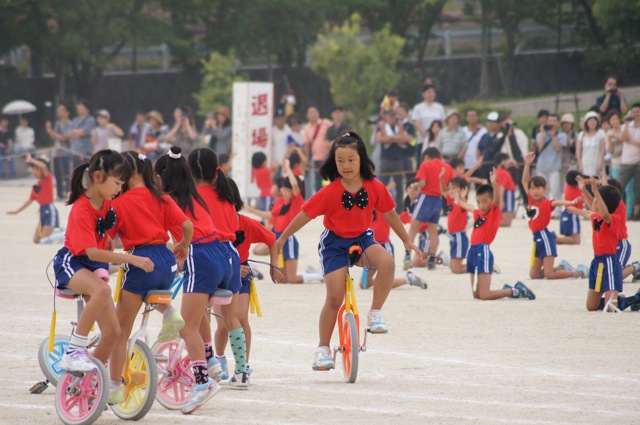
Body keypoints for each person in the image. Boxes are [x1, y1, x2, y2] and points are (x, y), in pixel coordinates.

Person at [274, 132, 421, 370]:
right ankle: (322, 349)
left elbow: (390, 214)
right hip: (333, 244)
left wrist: (406, 240)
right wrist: (282, 239)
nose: (346, 166)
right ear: (334, 162)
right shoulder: (329, 192)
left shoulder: (375, 187)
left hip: (362, 240)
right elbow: (304, 215)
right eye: (340, 160)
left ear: (361, 158)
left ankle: (375, 312)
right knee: (334, 297)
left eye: (351, 159)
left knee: (387, 262)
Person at [52, 150, 152, 374]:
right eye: (117, 183)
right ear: (97, 177)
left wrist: (107, 239)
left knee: (113, 332)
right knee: (102, 291)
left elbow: (103, 234)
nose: (119, 189)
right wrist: (131, 258)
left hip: (92, 266)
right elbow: (92, 253)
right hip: (72, 263)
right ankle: (73, 351)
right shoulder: (81, 209)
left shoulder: (106, 204)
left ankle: (90, 380)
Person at [109, 151, 193, 405]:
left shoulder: (119, 203)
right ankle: (168, 312)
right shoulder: (163, 198)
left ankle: (114, 385)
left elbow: (109, 242)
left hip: (140, 259)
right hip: (166, 260)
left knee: (119, 330)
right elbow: (187, 226)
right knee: (152, 291)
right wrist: (183, 246)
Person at [155, 147, 232, 413]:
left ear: (163, 179)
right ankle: (210, 361)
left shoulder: (166, 201)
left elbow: (159, 235)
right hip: (221, 255)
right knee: (199, 317)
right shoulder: (195, 196)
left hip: (200, 256)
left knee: (186, 327)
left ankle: (202, 382)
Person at [189, 148, 250, 387]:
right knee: (231, 318)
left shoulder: (192, 196)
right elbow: (234, 225)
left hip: (205, 254)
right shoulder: (226, 196)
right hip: (231, 255)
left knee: (198, 316)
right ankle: (243, 370)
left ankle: (208, 362)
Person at [454, 169, 535, 300]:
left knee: (485, 296)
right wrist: (459, 201)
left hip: (483, 251)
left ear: (491, 201)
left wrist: (495, 184)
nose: (481, 205)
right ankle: (507, 290)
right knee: (476, 295)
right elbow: (470, 207)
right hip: (472, 251)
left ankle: (515, 291)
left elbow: (497, 200)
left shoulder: (494, 212)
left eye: (485, 201)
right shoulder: (478, 213)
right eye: (479, 202)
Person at [245, 161, 323, 284]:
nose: (284, 193)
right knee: (283, 279)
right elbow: (270, 215)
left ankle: (319, 275)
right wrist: (251, 210)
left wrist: (288, 168)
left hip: (288, 239)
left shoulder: (297, 202)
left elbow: (295, 185)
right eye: (283, 190)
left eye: (286, 191)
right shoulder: (283, 203)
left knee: (293, 279)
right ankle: (313, 273)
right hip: (278, 239)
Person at [522, 152, 585, 280]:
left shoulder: (547, 203)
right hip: (537, 239)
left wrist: (572, 202)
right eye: (532, 189)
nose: (535, 191)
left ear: (545, 189)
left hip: (546, 238)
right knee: (533, 275)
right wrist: (527, 164)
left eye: (538, 188)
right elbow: (525, 181)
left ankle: (578, 273)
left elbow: (558, 202)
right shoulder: (531, 200)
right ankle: (562, 267)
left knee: (549, 275)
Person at [233, 211, 282, 370]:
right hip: (219, 271)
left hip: (242, 273)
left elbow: (271, 239)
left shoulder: (247, 223)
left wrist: (274, 266)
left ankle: (243, 364)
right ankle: (218, 359)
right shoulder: (212, 220)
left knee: (241, 317)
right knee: (222, 323)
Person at [567, 179, 623, 311]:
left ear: (600, 203)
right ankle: (617, 298)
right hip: (597, 261)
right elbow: (588, 212)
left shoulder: (612, 219)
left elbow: (604, 214)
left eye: (596, 200)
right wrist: (583, 191)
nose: (593, 202)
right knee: (591, 306)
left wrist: (596, 191)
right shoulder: (595, 216)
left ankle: (628, 300)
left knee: (610, 308)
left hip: (609, 261)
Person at [408, 147, 454, 270]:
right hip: (438, 200)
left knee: (413, 228)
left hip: (425, 198)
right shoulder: (448, 168)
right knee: (433, 232)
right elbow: (449, 186)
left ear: (427, 157)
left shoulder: (426, 165)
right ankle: (432, 260)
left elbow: (422, 184)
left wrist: (415, 185)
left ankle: (407, 256)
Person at [361, 209, 428, 289]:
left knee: (386, 283)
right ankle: (410, 278)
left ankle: (410, 279)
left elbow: (393, 217)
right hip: (369, 245)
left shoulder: (381, 200)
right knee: (364, 284)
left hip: (384, 245)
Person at [6, 154, 61, 243]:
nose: (35, 172)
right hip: (42, 211)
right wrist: (17, 211)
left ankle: (63, 234)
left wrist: (31, 160)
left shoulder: (47, 179)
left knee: (44, 240)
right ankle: (57, 232)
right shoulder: (36, 186)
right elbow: (29, 201)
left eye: (37, 170)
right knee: (36, 240)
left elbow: (43, 166)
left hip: (49, 210)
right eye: (33, 170)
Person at [376, 110, 413, 212]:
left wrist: (391, 138)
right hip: (385, 160)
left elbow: (405, 139)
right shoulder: (381, 127)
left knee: (400, 186)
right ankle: (379, 208)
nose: (392, 118)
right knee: (381, 186)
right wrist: (395, 138)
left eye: (393, 116)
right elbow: (380, 138)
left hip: (398, 160)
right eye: (390, 116)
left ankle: (399, 209)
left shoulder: (401, 126)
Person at [535, 113, 567, 217]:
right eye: (550, 121)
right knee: (542, 191)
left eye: (554, 121)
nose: (551, 123)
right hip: (541, 167)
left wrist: (553, 136)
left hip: (554, 167)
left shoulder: (562, 135)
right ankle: (544, 211)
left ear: (558, 123)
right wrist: (543, 132)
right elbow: (539, 146)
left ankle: (557, 212)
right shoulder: (540, 135)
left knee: (555, 190)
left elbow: (558, 148)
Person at [440, 176, 470, 274]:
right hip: (454, 237)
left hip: (459, 237)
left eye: (454, 188)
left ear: (462, 190)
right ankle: (479, 265)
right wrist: (441, 178)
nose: (451, 191)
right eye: (450, 188)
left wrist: (462, 196)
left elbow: (463, 201)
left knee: (456, 269)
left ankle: (483, 266)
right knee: (454, 268)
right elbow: (443, 192)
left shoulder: (462, 202)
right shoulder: (453, 202)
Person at [411, 83, 445, 161]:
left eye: (433, 92)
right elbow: (417, 122)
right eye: (429, 92)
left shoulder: (439, 107)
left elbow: (443, 122)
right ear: (423, 94)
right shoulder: (418, 107)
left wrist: (437, 134)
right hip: (423, 140)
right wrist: (426, 135)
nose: (431, 94)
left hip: (437, 141)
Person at [46, 103, 73, 200]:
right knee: (57, 174)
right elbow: (54, 137)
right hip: (57, 152)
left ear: (67, 112)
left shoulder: (70, 123)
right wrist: (50, 130)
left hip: (66, 152)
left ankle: (67, 192)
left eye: (62, 110)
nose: (59, 112)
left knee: (66, 173)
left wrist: (51, 132)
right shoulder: (58, 123)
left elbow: (64, 137)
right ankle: (59, 193)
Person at [303, 106, 332, 194]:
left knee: (330, 182)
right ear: (307, 116)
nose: (313, 114)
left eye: (315, 111)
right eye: (310, 112)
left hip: (329, 157)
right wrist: (307, 159)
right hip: (316, 159)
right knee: (317, 184)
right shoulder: (307, 128)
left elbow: (334, 134)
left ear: (318, 113)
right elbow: (307, 144)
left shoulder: (326, 123)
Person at [619, 103, 640, 220]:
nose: (635, 114)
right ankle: (620, 210)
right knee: (619, 185)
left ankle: (636, 213)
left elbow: (629, 140)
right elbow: (623, 139)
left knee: (638, 189)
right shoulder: (627, 126)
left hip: (638, 162)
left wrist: (632, 141)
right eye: (634, 112)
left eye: (638, 112)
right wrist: (627, 124)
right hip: (626, 161)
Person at [556, 170, 583, 245]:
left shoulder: (568, 186)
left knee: (571, 238)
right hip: (572, 214)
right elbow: (584, 199)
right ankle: (553, 239)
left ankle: (555, 239)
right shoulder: (575, 190)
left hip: (566, 213)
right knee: (576, 240)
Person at [576, 111, 606, 177]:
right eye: (590, 120)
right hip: (585, 166)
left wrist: (600, 163)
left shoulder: (601, 133)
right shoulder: (581, 134)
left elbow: (602, 151)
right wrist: (580, 164)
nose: (592, 122)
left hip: (597, 165)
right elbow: (578, 151)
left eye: (594, 120)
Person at [67, 100, 96, 166]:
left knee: (85, 171)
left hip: (85, 152)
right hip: (75, 150)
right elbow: (69, 134)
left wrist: (75, 132)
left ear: (87, 109)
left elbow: (84, 132)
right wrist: (77, 132)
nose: (79, 108)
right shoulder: (75, 119)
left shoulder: (91, 119)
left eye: (81, 106)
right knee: (76, 172)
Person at [476, 112, 501, 181]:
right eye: (489, 122)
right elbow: (478, 150)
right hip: (484, 167)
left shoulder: (500, 136)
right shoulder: (484, 136)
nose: (490, 124)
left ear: (498, 123)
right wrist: (479, 162)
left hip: (495, 166)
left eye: (493, 122)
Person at [494, 153, 517, 227]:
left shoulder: (498, 171)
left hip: (507, 194)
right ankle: (490, 223)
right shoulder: (502, 172)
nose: (509, 163)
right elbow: (501, 187)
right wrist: (501, 201)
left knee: (506, 220)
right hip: (507, 194)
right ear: (502, 162)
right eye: (507, 161)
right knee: (507, 222)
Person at [559, 113, 578, 184]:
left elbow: (577, 150)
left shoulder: (575, 135)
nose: (566, 125)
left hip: (571, 162)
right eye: (564, 124)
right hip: (560, 161)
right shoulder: (559, 134)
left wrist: (572, 145)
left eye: (568, 123)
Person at [606, 111, 624, 181]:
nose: (615, 121)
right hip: (615, 162)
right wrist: (609, 141)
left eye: (617, 119)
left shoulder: (623, 129)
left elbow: (625, 141)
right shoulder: (609, 133)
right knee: (617, 184)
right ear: (609, 121)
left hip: (627, 161)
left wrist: (615, 136)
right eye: (613, 119)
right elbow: (610, 151)